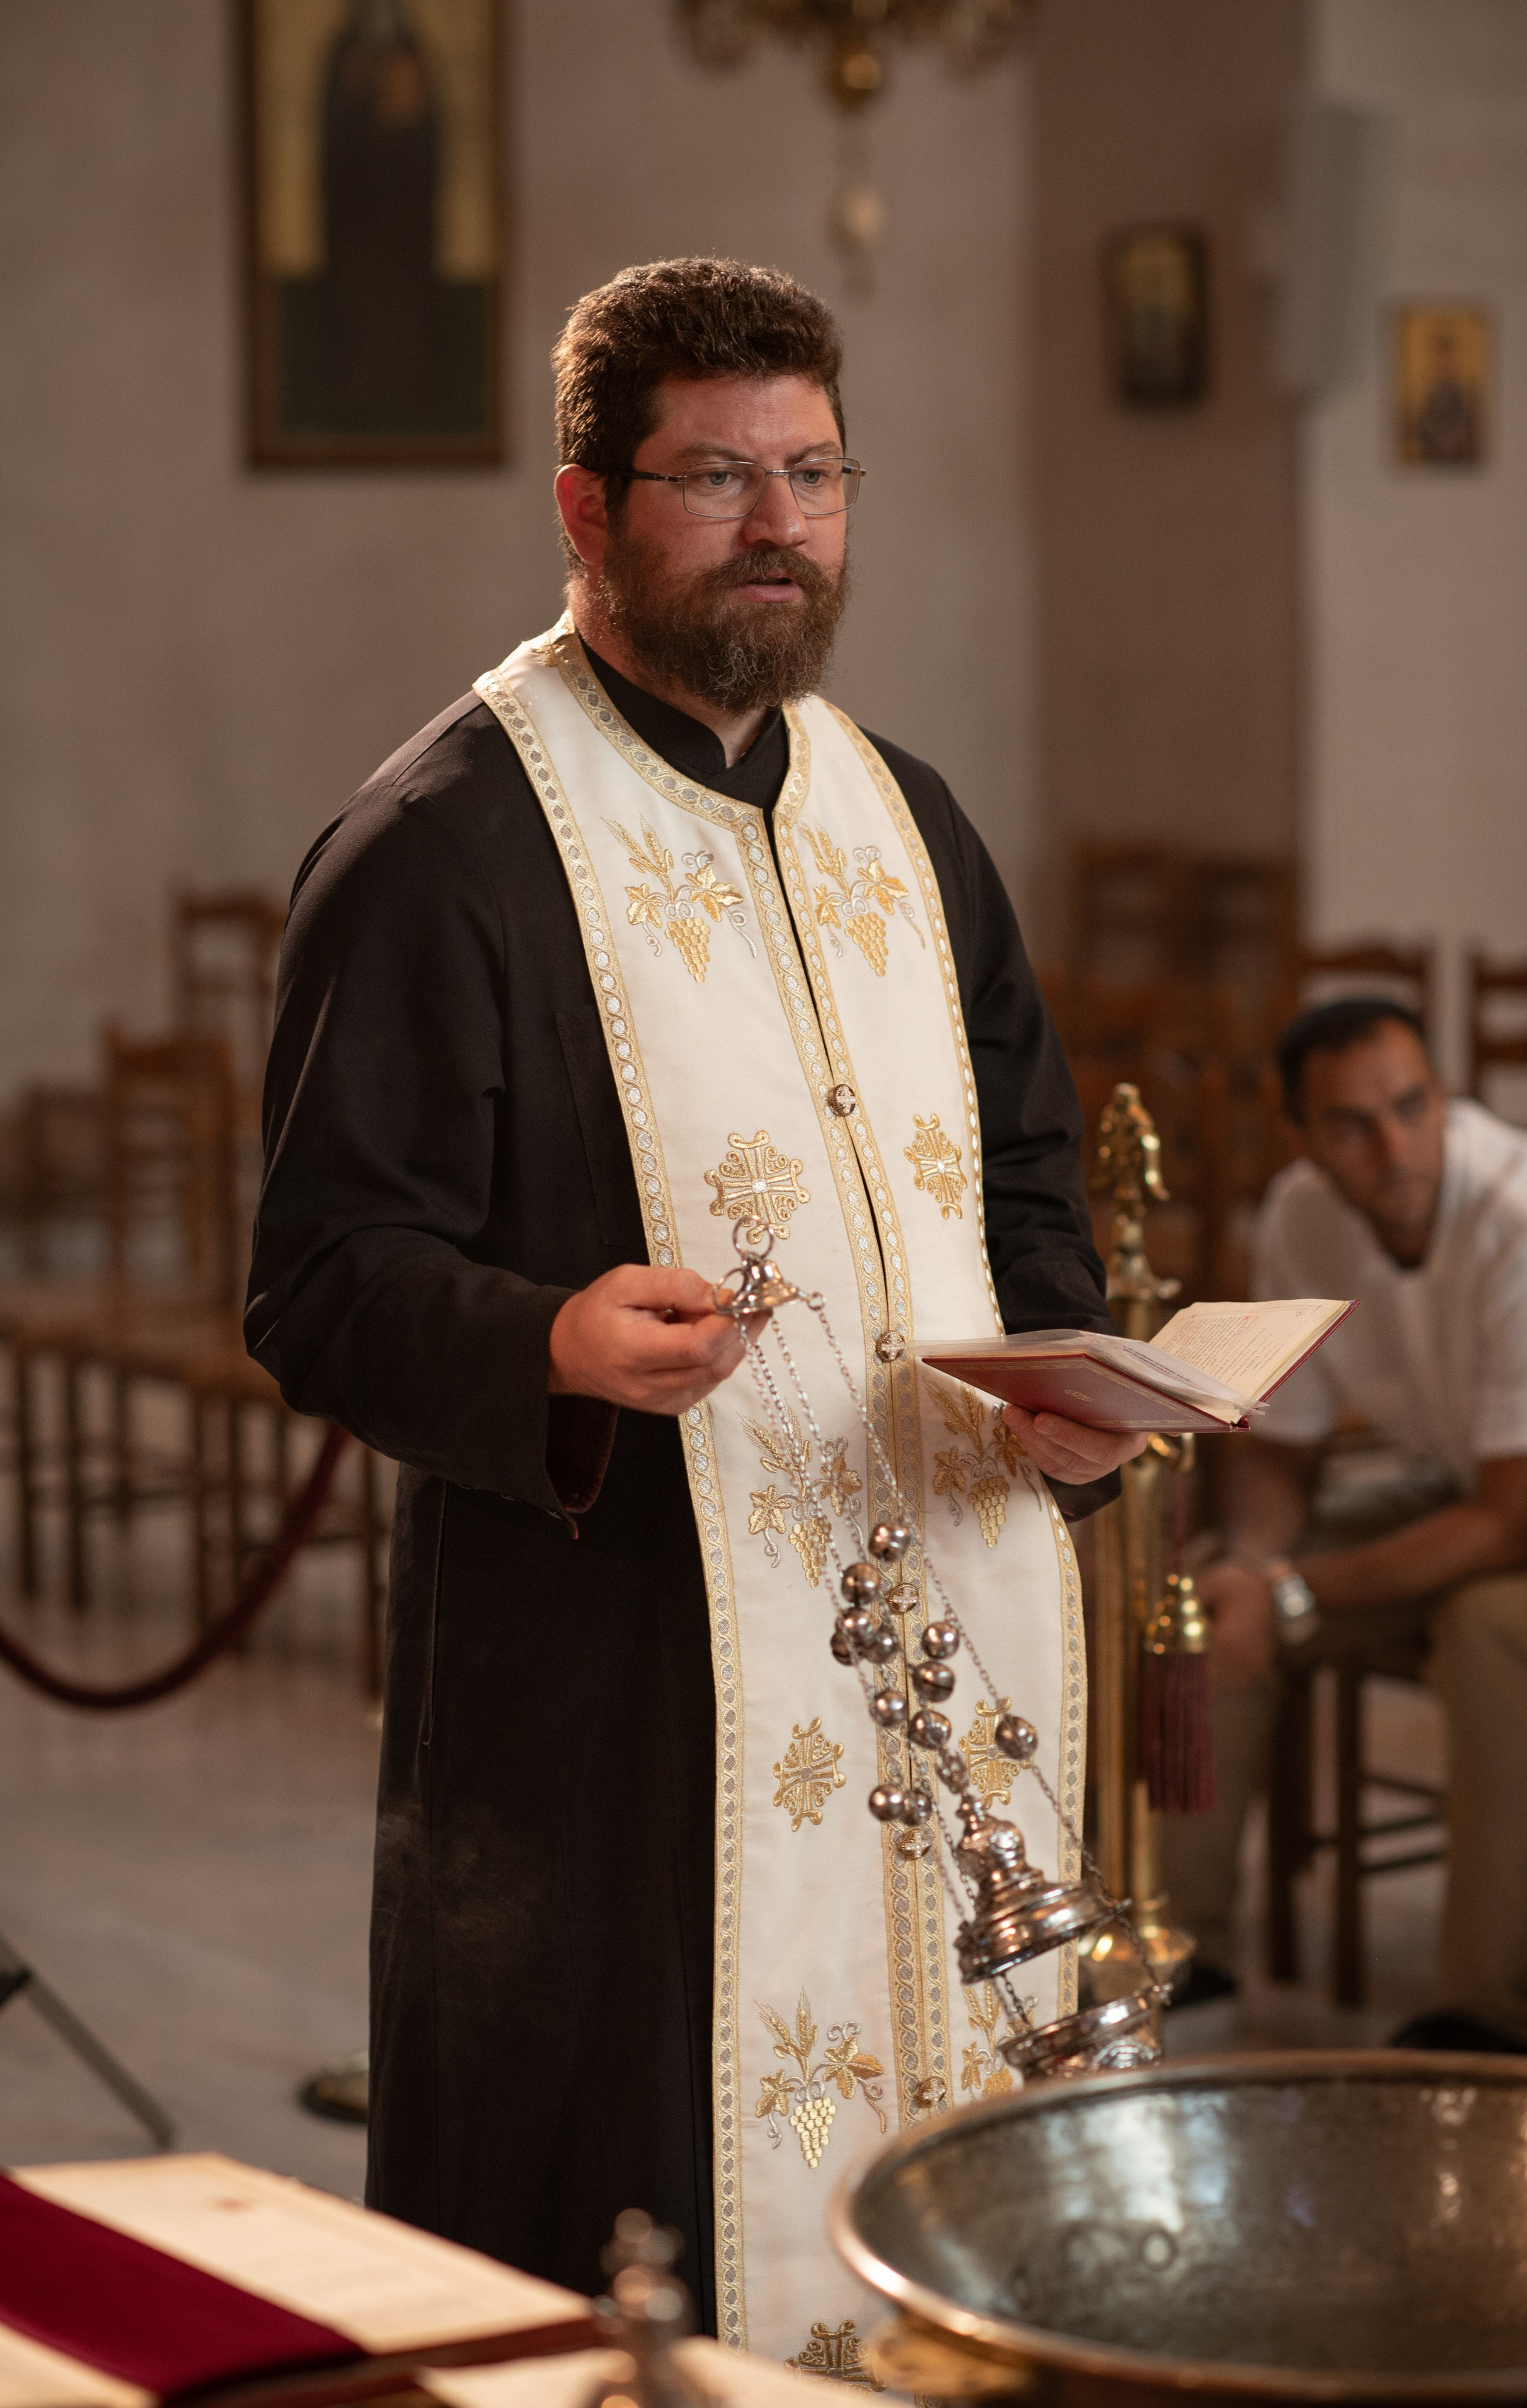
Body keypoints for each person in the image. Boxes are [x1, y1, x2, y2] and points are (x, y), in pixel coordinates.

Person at [245, 257, 1141, 2353]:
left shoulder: (905, 818)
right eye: (718, 477)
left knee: (956, 2200)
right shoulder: (441, 843)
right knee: (624, 2211)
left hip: (942, 1638)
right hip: (620, 1673)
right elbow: (322, 1279)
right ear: (586, 506)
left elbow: (1026, 1169)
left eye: (813, 474)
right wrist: (549, 1343)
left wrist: (1072, 1373)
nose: (779, 525)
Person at [1163, 997, 1527, 2052]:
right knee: (1208, 1598)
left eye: (1413, 1108)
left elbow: (1509, 1527)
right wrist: (1257, 1569)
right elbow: (1284, 1450)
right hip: (1483, 1474)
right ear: (1301, 1137)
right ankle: (1182, 1961)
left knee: (1493, 1625)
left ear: (1445, 1098)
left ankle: (1487, 2019)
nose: (1396, 1148)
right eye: (1354, 1125)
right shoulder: (1301, 1214)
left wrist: (1292, 1591)